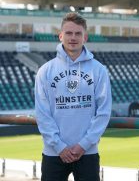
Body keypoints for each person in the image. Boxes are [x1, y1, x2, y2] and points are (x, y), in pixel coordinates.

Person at [35, 12, 112, 181]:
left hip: (87, 152)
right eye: (69, 33)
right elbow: (43, 114)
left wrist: (83, 145)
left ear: (85, 37)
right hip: (54, 153)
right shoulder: (45, 71)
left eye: (78, 33)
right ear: (60, 36)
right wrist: (59, 147)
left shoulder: (98, 70)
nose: (73, 37)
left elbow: (103, 112)